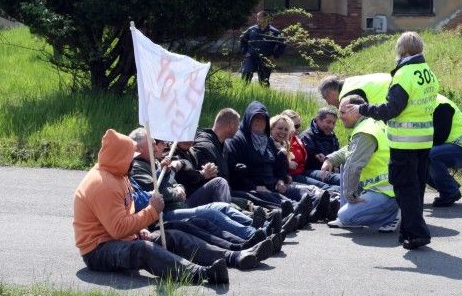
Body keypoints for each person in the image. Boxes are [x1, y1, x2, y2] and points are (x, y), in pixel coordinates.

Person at [73, 129, 250, 286]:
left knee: (173, 236)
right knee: (143, 249)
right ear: (119, 158)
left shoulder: (119, 175)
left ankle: (231, 256)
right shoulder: (103, 184)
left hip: (119, 238)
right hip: (98, 250)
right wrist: (151, 211)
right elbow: (118, 229)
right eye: (131, 157)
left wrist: (140, 229)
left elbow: (127, 211)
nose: (133, 160)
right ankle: (200, 273)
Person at [347, 31, 439, 250]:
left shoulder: (404, 75)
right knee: (416, 188)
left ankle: (417, 233)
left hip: (404, 142)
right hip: (424, 141)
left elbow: (391, 109)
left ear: (401, 50)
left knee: (404, 188)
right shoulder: (427, 72)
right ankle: (409, 231)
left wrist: (363, 109)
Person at [127, 127, 281, 253]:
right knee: (212, 213)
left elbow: (174, 182)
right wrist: (174, 188)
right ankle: (252, 234)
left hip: (179, 203)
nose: (156, 147)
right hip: (163, 213)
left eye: (156, 144)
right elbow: (153, 194)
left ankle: (260, 226)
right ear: (139, 148)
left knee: (221, 206)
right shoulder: (137, 167)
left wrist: (178, 186)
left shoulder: (155, 161)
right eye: (152, 145)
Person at [191, 108, 299, 234]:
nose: (239, 128)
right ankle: (261, 226)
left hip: (242, 187)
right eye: (237, 125)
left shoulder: (223, 144)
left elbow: (229, 169)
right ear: (231, 125)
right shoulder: (207, 145)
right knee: (240, 199)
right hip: (216, 194)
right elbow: (209, 178)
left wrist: (280, 173)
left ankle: (275, 217)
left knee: (248, 200)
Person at [224, 101, 321, 227]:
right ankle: (295, 214)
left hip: (272, 183)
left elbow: (278, 165)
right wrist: (254, 186)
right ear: (248, 119)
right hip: (252, 187)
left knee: (302, 192)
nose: (259, 122)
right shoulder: (238, 140)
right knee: (278, 200)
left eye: (262, 119)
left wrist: (280, 179)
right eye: (256, 119)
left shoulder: (267, 140)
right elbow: (234, 171)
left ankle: (318, 207)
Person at [321, 95, 400, 231]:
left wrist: (350, 195)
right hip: (385, 188)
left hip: (387, 193)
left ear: (356, 111)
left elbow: (353, 166)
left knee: (346, 216)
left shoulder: (365, 132)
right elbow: (351, 149)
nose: (340, 117)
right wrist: (331, 159)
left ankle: (393, 215)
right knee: (344, 163)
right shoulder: (371, 123)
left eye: (343, 112)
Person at [428, 94, 462, 206]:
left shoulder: (440, 105)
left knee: (428, 156)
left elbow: (440, 137)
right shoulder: (429, 102)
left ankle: (449, 192)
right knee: (420, 159)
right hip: (459, 148)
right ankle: (450, 186)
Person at [239, 11, 285, 86]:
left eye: (259, 17)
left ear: (266, 18)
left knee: (264, 81)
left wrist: (274, 55)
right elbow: (242, 39)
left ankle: (264, 93)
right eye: (257, 17)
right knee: (246, 74)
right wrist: (245, 52)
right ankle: (242, 91)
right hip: (251, 57)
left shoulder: (274, 32)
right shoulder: (252, 30)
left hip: (266, 58)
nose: (257, 19)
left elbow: (283, 44)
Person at [300, 107, 342, 183]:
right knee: (342, 180)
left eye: (333, 123)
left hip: (330, 170)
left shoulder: (332, 137)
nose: (331, 126)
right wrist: (319, 158)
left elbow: (338, 154)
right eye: (328, 122)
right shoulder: (307, 136)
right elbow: (307, 162)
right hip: (311, 172)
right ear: (318, 119)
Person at [318, 73, 392, 107]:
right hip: (392, 80)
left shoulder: (346, 97)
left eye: (326, 98)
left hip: (391, 95)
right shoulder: (349, 82)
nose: (328, 103)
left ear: (330, 93)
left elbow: (360, 119)